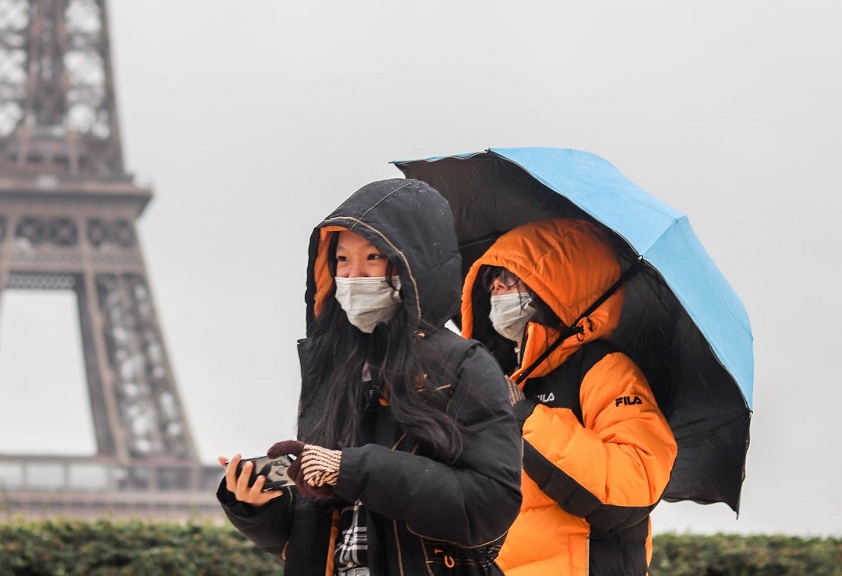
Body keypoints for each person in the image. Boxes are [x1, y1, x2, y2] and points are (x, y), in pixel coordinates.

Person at [217, 178, 522, 575]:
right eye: (342, 260)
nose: (354, 274)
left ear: (413, 263)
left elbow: (489, 506)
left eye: (373, 256)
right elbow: (319, 533)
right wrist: (256, 509)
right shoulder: (332, 367)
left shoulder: (464, 364)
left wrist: (355, 470)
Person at [459, 218, 677, 576]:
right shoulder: (499, 377)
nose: (496, 284)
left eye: (511, 274)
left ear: (558, 284)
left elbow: (631, 487)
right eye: (491, 276)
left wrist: (524, 417)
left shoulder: (605, 370)